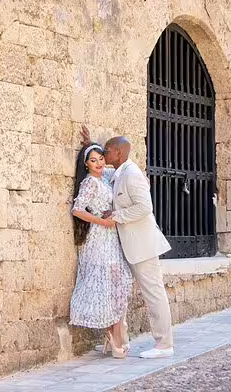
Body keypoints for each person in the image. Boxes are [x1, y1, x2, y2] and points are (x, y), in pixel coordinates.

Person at [81, 127, 174, 359]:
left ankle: (164, 345)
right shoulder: (117, 172)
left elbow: (145, 208)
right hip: (126, 247)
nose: (104, 154)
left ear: (119, 153)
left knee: (154, 294)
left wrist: (115, 216)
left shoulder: (132, 174)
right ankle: (120, 342)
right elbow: (97, 168)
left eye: (107, 151)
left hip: (142, 246)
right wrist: (90, 144)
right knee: (119, 293)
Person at [69, 143, 133, 359]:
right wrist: (101, 221)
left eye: (100, 159)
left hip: (112, 238)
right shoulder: (89, 183)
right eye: (93, 160)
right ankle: (114, 337)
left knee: (119, 281)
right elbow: (77, 209)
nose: (98, 163)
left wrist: (90, 141)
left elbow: (115, 165)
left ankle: (115, 334)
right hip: (98, 237)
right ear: (86, 164)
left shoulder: (105, 176)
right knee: (107, 284)